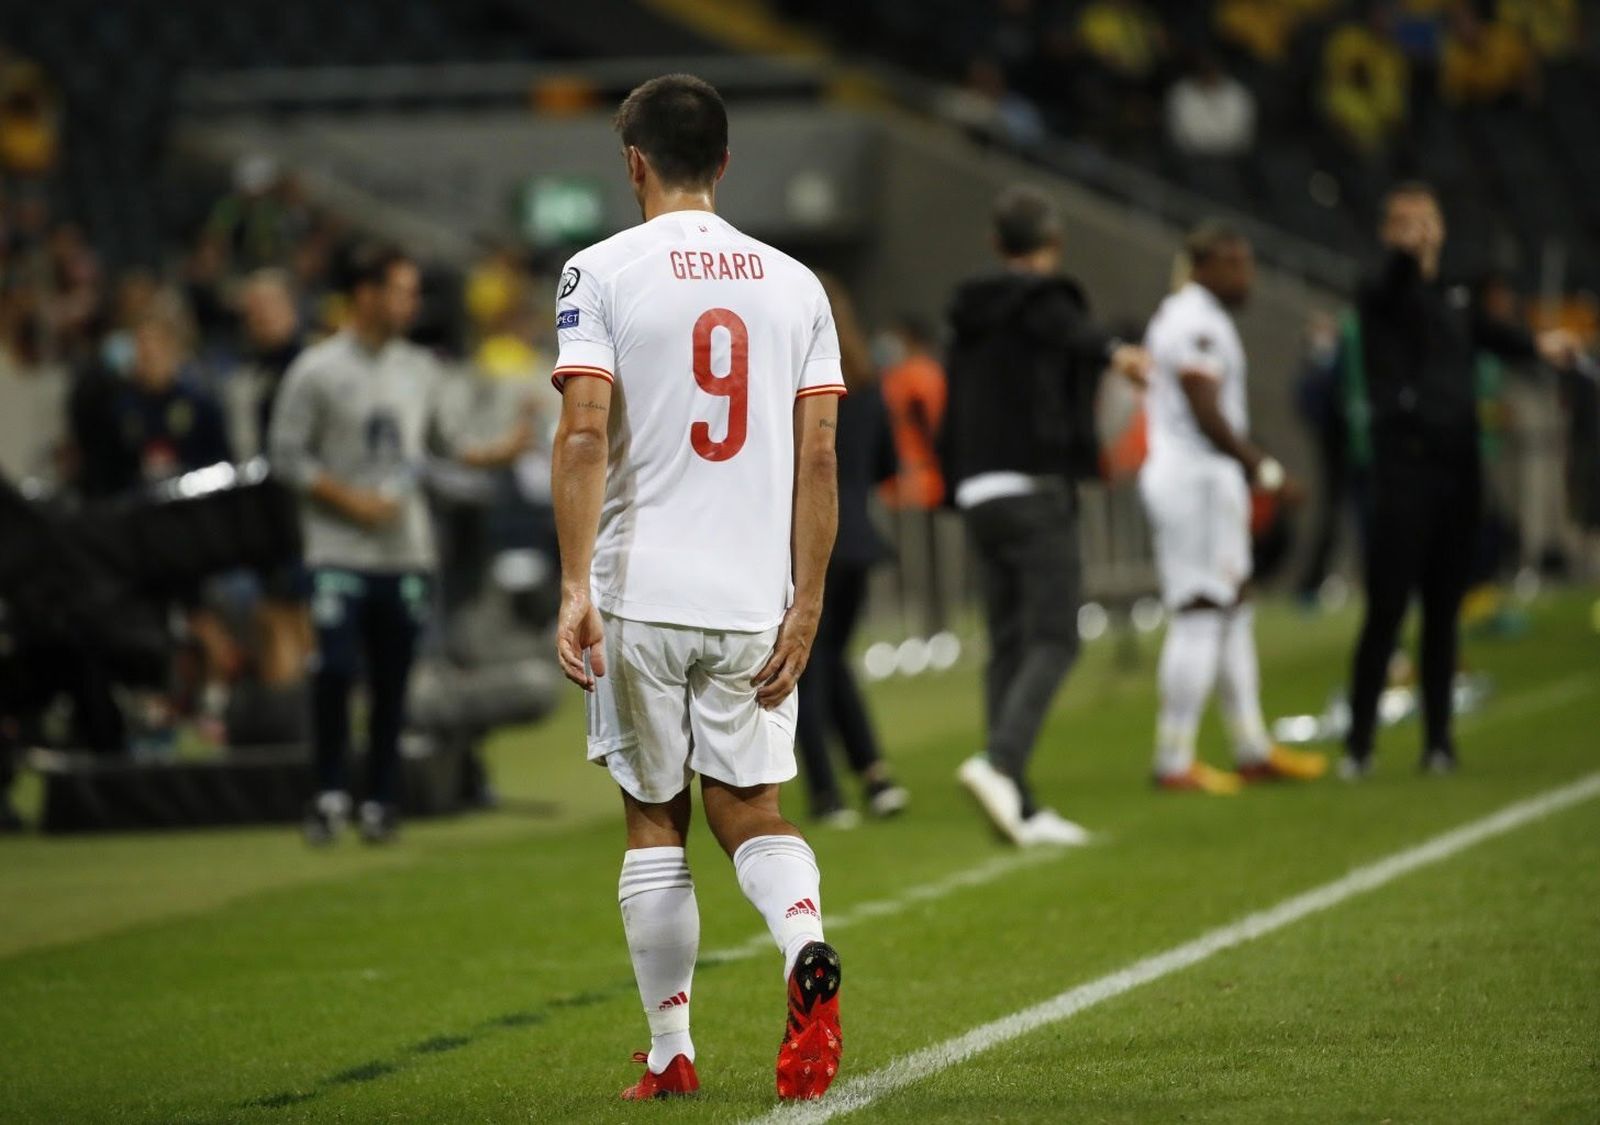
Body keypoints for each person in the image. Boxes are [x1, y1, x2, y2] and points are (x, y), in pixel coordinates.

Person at [548, 74, 844, 1102]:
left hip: (641, 588)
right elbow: (818, 457)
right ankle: (802, 941)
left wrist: (572, 584)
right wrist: (805, 601)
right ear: (722, 162)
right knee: (752, 804)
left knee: (651, 818)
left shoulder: (598, 271)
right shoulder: (797, 285)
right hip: (751, 598)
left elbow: (584, 430)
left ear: (633, 164)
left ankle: (672, 1053)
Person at [269, 244, 533, 845]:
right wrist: (347, 499)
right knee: (335, 667)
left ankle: (380, 799)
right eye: (401, 290)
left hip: (405, 549)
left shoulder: (420, 368)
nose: (412, 302)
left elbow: (447, 444)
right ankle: (331, 788)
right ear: (366, 295)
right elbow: (286, 455)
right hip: (337, 548)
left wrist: (505, 448)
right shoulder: (316, 369)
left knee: (394, 679)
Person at [1339, 183, 1575, 778]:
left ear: (1442, 228)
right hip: (1403, 466)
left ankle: (1438, 741)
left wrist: (1543, 345)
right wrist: (1402, 256)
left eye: (1427, 220)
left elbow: (1498, 337)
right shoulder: (1379, 290)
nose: (1418, 230)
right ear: (1386, 233)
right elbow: (1391, 284)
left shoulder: (1458, 295)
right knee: (1387, 607)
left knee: (1445, 609)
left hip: (1458, 463)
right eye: (1404, 222)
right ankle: (1359, 744)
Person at [941, 184, 1149, 846]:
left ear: (996, 245)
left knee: (1007, 640)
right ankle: (1001, 762)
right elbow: (1070, 329)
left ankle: (1020, 803)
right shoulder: (1046, 297)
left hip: (978, 491)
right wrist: (1117, 352)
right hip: (1034, 486)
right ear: (1052, 245)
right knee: (1056, 635)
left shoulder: (969, 310)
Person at [1139, 223, 1329, 794]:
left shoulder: (1194, 316)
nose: (1247, 277)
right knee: (1200, 609)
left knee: (1233, 606)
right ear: (1205, 265)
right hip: (1193, 478)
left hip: (1205, 479)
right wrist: (1264, 469)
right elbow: (1204, 408)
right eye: (1236, 264)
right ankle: (1173, 759)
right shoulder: (1193, 319)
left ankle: (1251, 746)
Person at [795, 277, 908, 828]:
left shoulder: (795, 386)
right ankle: (876, 776)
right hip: (860, 542)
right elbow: (891, 466)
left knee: (803, 670)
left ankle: (826, 793)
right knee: (834, 661)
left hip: (808, 543)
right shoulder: (867, 385)